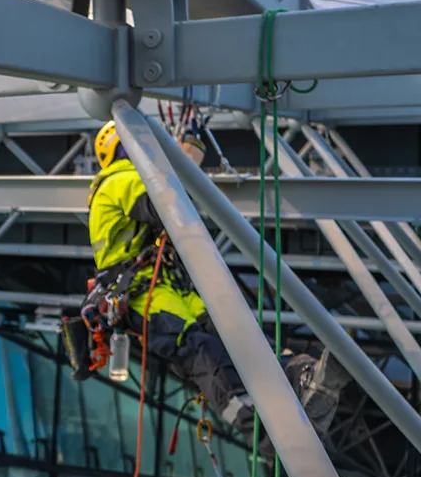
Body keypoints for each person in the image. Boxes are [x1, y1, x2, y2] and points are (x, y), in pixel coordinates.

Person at [86, 120, 351, 443]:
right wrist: (185, 158)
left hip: (169, 289)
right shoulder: (118, 178)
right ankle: (256, 425)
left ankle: (298, 376)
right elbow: (166, 206)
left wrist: (184, 157)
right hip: (145, 297)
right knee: (202, 350)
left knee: (235, 331)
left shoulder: (135, 178)